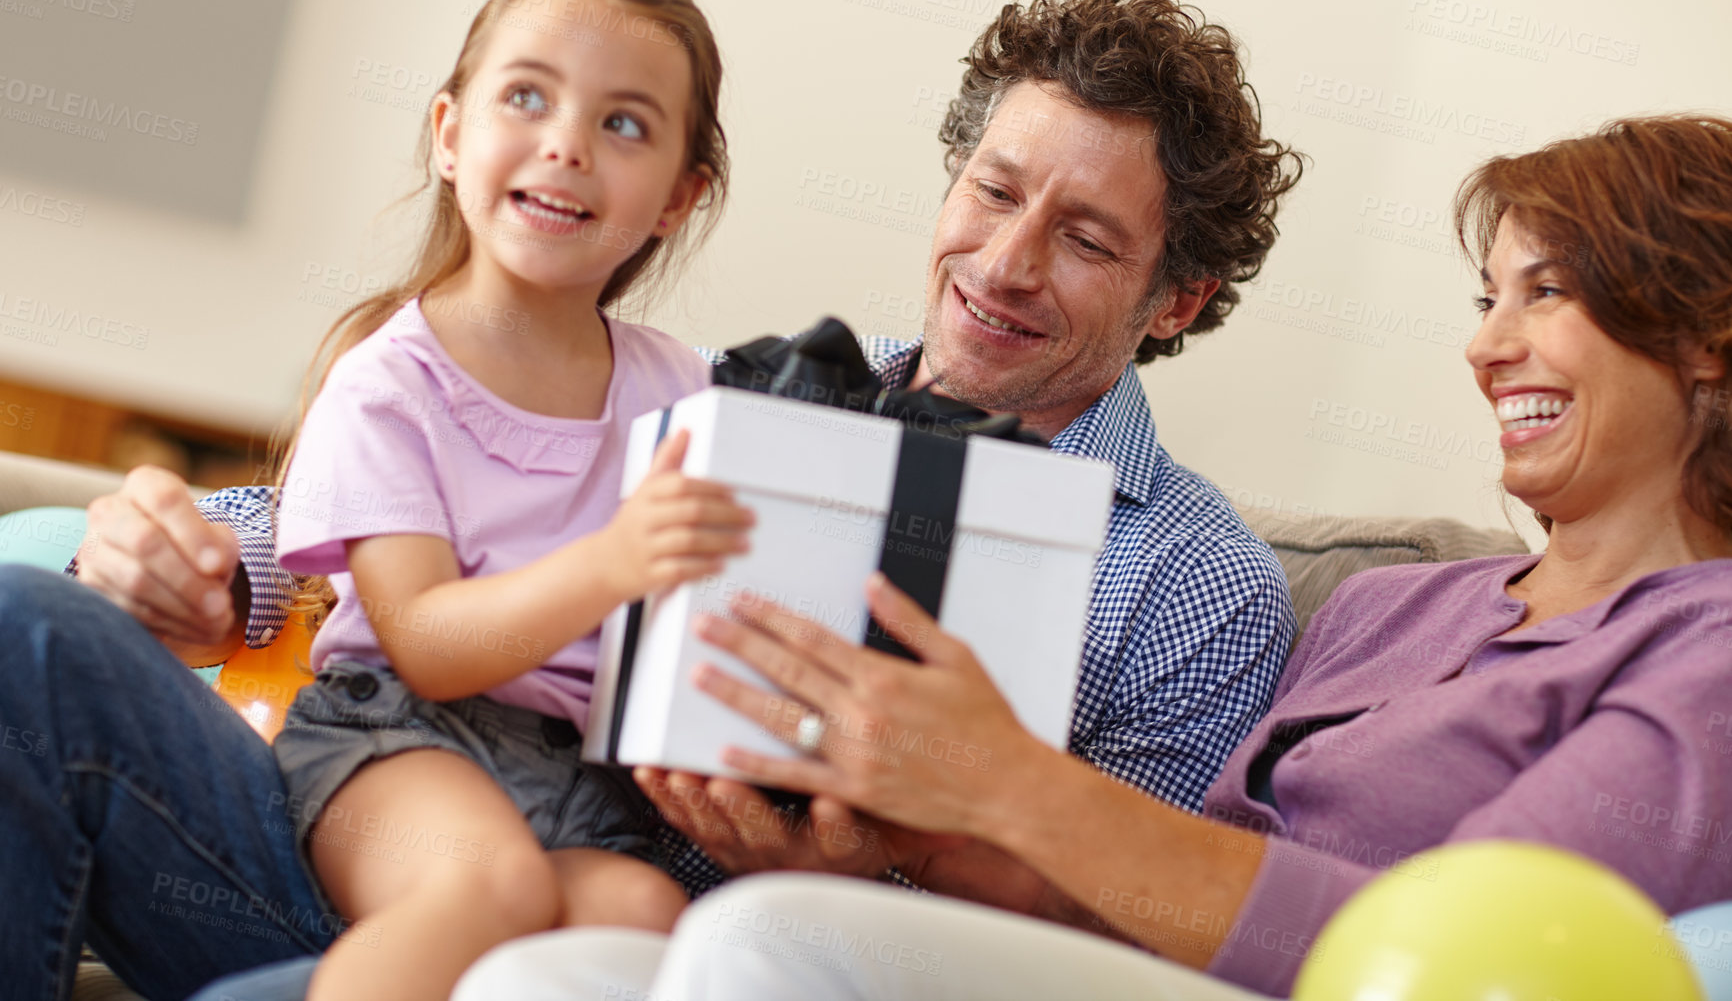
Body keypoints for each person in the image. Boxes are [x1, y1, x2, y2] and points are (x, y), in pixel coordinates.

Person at [0, 0, 1301, 1001]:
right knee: (31, 624)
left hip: (656, 947)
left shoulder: (1198, 588)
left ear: (1177, 297)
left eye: (1083, 239)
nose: (1004, 263)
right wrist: (197, 556)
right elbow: (454, 497)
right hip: (397, 833)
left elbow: (1140, 925)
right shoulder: (749, 393)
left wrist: (877, 867)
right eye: (994, 191)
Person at [540, 114, 1732, 1001]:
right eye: (1486, 297)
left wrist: (1002, 774)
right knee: (564, 974)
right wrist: (924, 834)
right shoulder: (1395, 603)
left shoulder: (1708, 646)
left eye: (1546, 293)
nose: (1485, 343)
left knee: (769, 943)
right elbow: (1159, 900)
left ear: (1705, 342)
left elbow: (1469, 953)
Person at [267, 0, 757, 1001]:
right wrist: (614, 561)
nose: (566, 145)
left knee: (646, 919)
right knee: (483, 882)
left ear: (678, 195)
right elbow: (427, 640)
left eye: (623, 123)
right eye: (526, 97)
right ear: (451, 134)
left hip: (582, 784)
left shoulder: (691, 394)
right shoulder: (388, 384)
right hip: (395, 738)